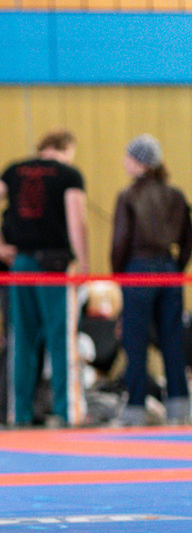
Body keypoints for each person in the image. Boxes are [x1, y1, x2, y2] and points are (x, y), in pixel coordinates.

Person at [0, 129, 89, 426]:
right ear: (67, 147)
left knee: (21, 340)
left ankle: (19, 413)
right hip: (54, 265)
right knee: (61, 340)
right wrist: (86, 264)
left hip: (21, 264)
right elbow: (77, 221)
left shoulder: (15, 170)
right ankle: (68, 412)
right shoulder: (69, 175)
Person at [111, 134, 192, 426]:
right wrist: (175, 267)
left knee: (135, 340)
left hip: (138, 268)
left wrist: (118, 272)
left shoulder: (128, 195)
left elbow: (120, 240)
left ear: (140, 163)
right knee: (172, 339)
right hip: (169, 270)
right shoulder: (177, 195)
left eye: (129, 158)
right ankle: (180, 406)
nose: (124, 163)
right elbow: (188, 239)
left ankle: (135, 406)